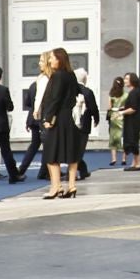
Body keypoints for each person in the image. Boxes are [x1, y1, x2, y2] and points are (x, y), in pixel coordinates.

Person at [36, 49, 81, 199]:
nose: (50, 61)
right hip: (68, 117)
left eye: (53, 58)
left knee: (51, 153)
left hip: (57, 117)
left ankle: (56, 187)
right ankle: (72, 185)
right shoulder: (71, 75)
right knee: (71, 153)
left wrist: (48, 118)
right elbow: (75, 95)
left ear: (60, 59)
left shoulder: (57, 76)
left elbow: (54, 99)